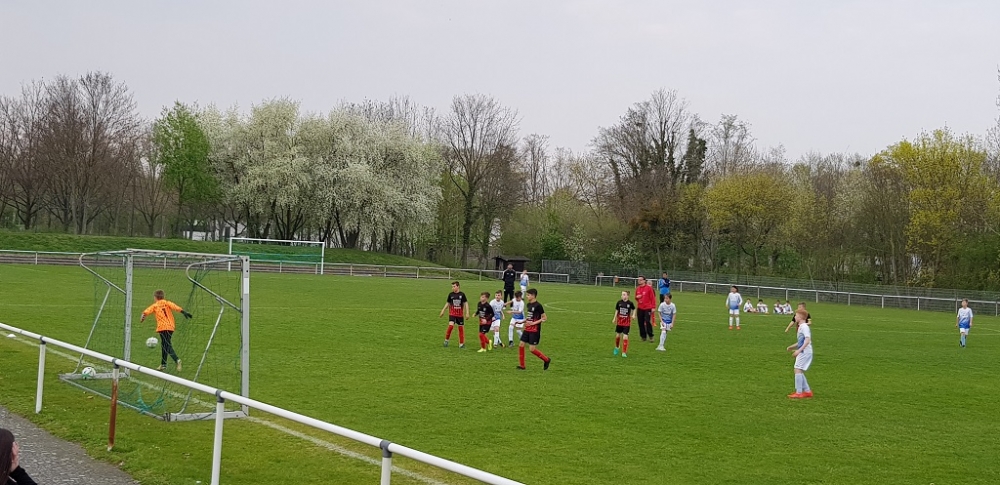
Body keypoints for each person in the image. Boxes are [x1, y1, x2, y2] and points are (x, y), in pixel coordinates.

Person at [140, 289, 192, 372]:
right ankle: (163, 364)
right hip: (171, 327)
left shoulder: (155, 305)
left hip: (163, 328)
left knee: (167, 345)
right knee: (164, 345)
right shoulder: (167, 303)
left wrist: (143, 316)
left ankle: (177, 360)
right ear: (163, 296)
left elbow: (147, 311)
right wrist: (184, 312)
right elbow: (175, 307)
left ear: (155, 297)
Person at [517, 289, 551, 370]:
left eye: (528, 295)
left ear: (533, 295)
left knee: (532, 349)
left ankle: (546, 360)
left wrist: (534, 323)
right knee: (521, 344)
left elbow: (544, 318)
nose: (526, 296)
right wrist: (522, 321)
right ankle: (522, 366)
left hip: (534, 330)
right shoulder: (529, 305)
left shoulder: (538, 306)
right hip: (527, 329)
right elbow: (530, 317)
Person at [786, 309, 814, 399]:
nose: (795, 317)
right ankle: (807, 391)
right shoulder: (801, 327)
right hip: (804, 351)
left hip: (805, 352)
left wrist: (798, 351)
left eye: (796, 315)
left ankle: (799, 393)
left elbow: (807, 340)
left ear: (801, 317)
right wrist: (792, 347)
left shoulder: (804, 327)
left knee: (797, 369)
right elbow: (801, 342)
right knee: (799, 370)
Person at [438, 281, 469, 348]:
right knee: (451, 326)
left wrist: (467, 312)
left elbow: (466, 303)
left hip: (460, 315)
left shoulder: (462, 294)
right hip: (452, 314)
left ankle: (461, 344)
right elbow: (448, 303)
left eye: (454, 286)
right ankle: (446, 340)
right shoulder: (451, 295)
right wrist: (443, 310)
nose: (453, 288)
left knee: (461, 329)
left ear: (458, 286)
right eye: (452, 287)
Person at [613, 290, 636, 357]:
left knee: (625, 337)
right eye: (622, 294)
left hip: (627, 323)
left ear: (627, 296)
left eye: (624, 294)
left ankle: (624, 352)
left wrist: (633, 315)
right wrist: (614, 318)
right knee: (617, 336)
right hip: (619, 322)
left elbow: (634, 309)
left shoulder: (630, 303)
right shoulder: (619, 302)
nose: (622, 296)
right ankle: (617, 347)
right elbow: (617, 310)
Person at [634, 276, 656, 342]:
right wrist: (637, 297)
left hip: (647, 308)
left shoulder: (649, 288)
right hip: (640, 307)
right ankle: (643, 336)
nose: (639, 281)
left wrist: (653, 307)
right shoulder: (637, 288)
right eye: (638, 280)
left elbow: (652, 298)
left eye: (640, 280)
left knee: (647, 321)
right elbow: (636, 297)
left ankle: (651, 336)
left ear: (644, 281)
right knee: (640, 322)